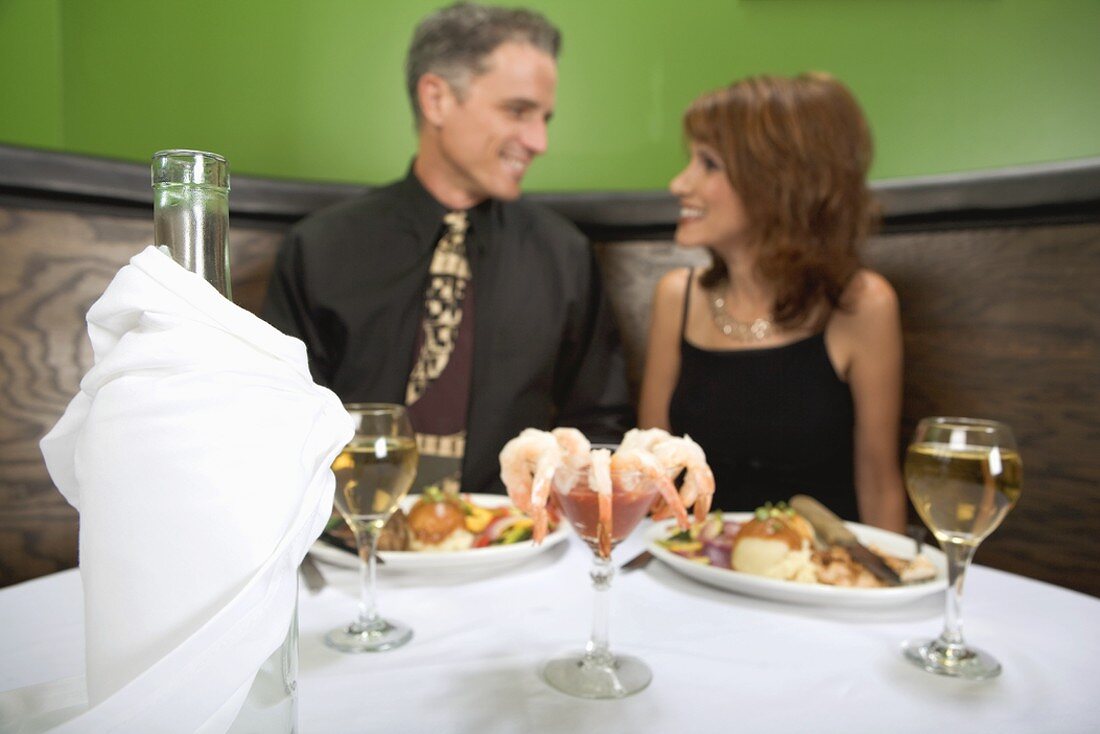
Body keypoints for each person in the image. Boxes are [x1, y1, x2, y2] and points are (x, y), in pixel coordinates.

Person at [263, 2, 633, 495]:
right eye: (518, 111)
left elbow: (599, 428)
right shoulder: (320, 250)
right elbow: (276, 424)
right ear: (437, 99)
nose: (539, 139)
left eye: (544, 117)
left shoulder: (565, 257)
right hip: (353, 547)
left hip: (513, 548)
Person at [638, 72, 907, 532]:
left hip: (815, 582)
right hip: (699, 573)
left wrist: (886, 591)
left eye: (709, 164)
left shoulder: (863, 305)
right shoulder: (676, 297)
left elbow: (879, 487)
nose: (679, 183)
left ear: (778, 181)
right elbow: (652, 482)